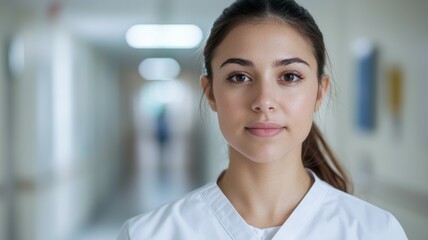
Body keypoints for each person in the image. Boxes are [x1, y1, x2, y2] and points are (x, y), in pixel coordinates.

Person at [118, 0, 408, 239]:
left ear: (320, 92)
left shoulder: (375, 231)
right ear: (210, 94)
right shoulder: (147, 234)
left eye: (289, 76)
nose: (264, 101)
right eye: (239, 77)